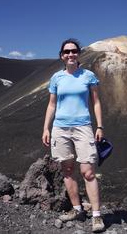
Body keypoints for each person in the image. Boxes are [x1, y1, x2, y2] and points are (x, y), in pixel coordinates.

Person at [42, 38, 105, 233]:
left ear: (79, 54)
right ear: (62, 56)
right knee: (67, 171)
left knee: (88, 172)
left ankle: (96, 216)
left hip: (83, 127)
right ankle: (77, 209)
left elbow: (96, 102)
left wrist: (100, 126)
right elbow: (52, 104)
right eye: (67, 52)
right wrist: (46, 128)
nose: (71, 54)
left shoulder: (88, 76)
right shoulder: (56, 78)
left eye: (74, 51)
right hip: (60, 129)